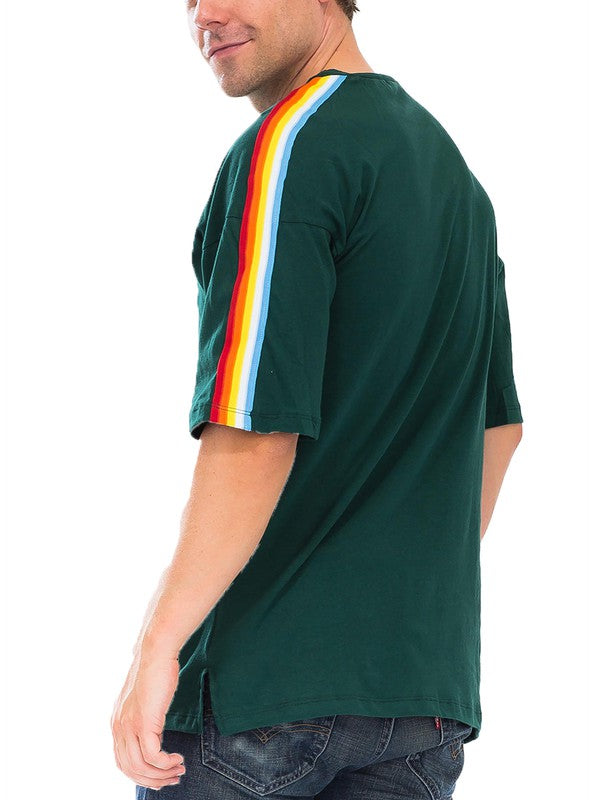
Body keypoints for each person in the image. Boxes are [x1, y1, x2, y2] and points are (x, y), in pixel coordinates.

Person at [110, 1, 525, 797]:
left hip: (264, 690)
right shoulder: (458, 183)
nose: (206, 14)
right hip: (420, 698)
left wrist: (157, 647)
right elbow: (497, 426)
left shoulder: (292, 147)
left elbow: (257, 426)